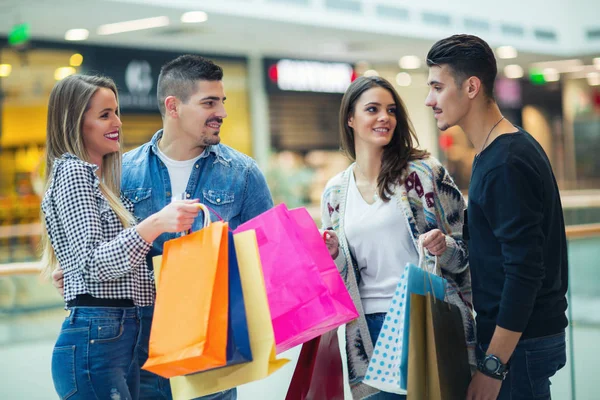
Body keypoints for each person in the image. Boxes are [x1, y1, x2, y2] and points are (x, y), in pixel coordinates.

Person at [52, 55, 273, 400]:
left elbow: (270, 257)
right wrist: (71, 270)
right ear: (173, 106)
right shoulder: (120, 172)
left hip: (210, 347)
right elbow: (95, 248)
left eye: (223, 102)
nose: (222, 113)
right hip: (137, 346)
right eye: (209, 103)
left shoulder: (243, 173)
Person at [425, 34, 568, 400]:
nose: (430, 100)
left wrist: (493, 366)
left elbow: (524, 271)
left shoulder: (506, 161)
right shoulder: (499, 150)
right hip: (519, 342)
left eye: (438, 87)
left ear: (471, 87)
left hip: (518, 347)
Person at [41, 74, 201, 399]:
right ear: (75, 123)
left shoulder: (104, 183)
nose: (117, 122)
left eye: (116, 112)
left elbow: (91, 264)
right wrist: (154, 224)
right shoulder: (73, 172)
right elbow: (95, 265)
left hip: (116, 336)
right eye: (104, 115)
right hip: (97, 339)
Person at [321, 75, 476, 399]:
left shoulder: (425, 172)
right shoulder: (336, 191)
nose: (384, 118)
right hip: (367, 334)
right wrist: (333, 254)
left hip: (427, 321)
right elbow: (336, 281)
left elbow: (468, 251)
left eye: (391, 110)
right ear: (350, 118)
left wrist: (443, 246)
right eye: (373, 109)